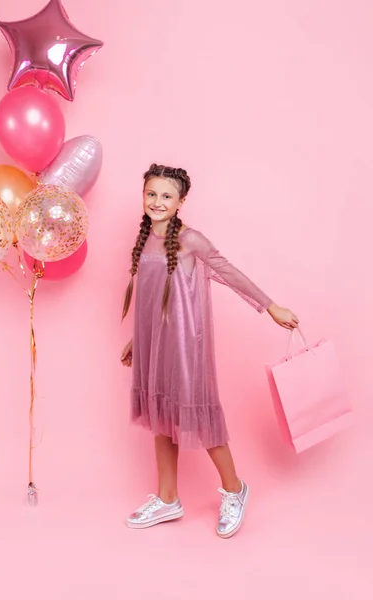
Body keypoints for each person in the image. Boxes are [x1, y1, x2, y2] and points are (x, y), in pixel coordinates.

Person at [121, 163, 299, 538]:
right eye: (151, 194)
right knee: (160, 417)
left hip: (186, 346)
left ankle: (235, 489)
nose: (157, 201)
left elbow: (229, 272)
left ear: (181, 201)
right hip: (156, 346)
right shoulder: (145, 240)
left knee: (197, 418)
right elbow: (151, 300)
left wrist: (271, 307)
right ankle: (168, 497)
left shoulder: (191, 239)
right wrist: (139, 340)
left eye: (166, 196)